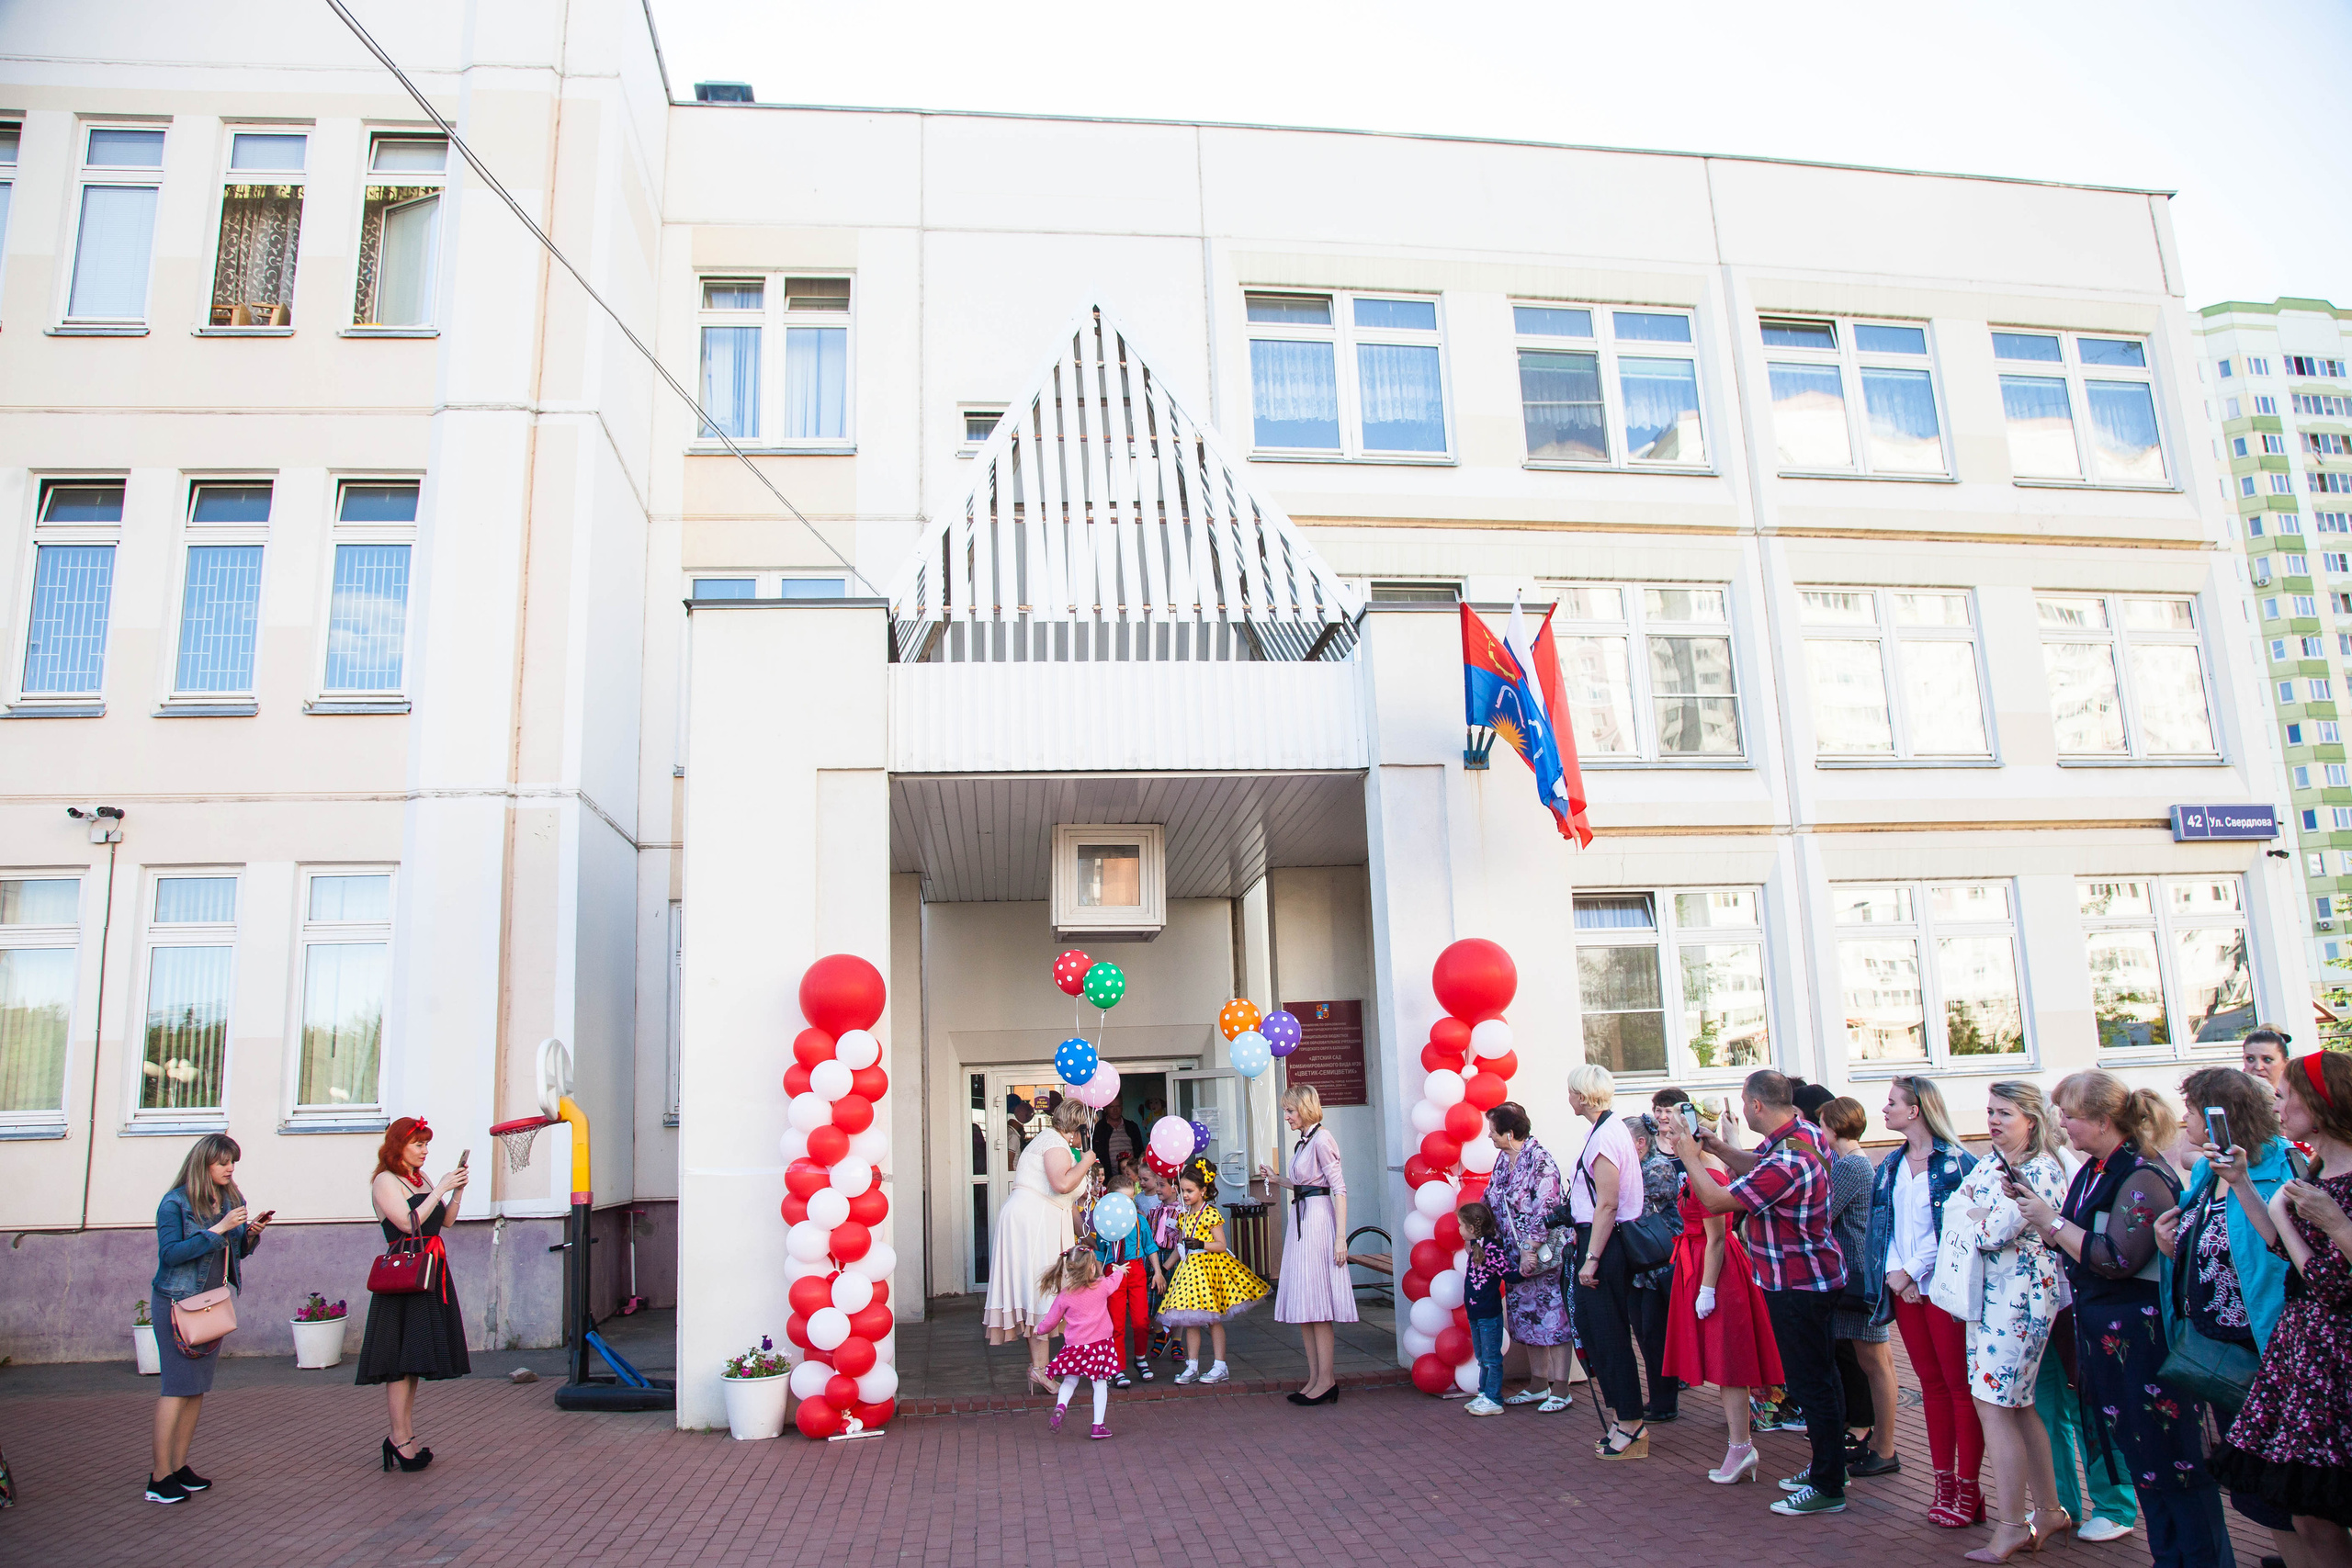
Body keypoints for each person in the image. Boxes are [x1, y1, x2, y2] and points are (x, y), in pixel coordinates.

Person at [2009, 1073, 2231, 1567]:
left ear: (2103, 1121)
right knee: (2142, 1460)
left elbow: (2115, 1257)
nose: (2061, 1124)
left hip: (2146, 1341)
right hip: (2106, 1337)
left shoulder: (2144, 1175)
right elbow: (2073, 1241)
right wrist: (2045, 1219)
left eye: (2069, 1115)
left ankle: (2201, 1558)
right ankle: (2168, 1557)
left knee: (2174, 1462)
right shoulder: (2094, 1170)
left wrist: (2052, 1222)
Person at [1660, 1068, 1849, 1518]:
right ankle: (1830, 1466)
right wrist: (1719, 1147)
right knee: (1820, 1377)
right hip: (1809, 1276)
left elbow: (1720, 1201)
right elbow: (1756, 1168)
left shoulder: (1789, 1158)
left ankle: (1828, 1485)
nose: (1742, 1110)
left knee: (1812, 1383)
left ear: (1757, 1105)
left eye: (1745, 1103)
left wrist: (1689, 1155)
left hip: (1798, 1281)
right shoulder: (1799, 1133)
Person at [2208, 1051, 2352, 1567]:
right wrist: (2243, 1183)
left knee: (2320, 1505)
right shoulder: (2315, 1167)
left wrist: (2306, 1220)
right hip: (2308, 1352)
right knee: (2305, 1508)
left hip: (2336, 1355)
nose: (2278, 1101)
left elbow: (2330, 1282)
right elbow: (2285, 1250)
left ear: (2321, 1101)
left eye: (2287, 1093)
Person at [2158, 1066, 2296, 1564]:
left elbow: (2281, 1253)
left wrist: (2242, 1185)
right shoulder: (2201, 1171)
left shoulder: (2281, 1167)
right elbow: (2212, 1249)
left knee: (2288, 1487)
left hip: (2266, 1348)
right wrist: (2168, 1244)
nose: (2184, 1120)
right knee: (2253, 1488)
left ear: (2223, 1116)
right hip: (2216, 1351)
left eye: (2192, 1111)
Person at [1949, 1081, 2070, 1562]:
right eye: (1991, 1111)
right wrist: (1980, 1215)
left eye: (2005, 1113)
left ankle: (2012, 1524)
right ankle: (2049, 1508)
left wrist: (1981, 1216)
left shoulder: (2040, 1169)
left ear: (2032, 1119)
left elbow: (1991, 1231)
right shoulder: (1991, 1162)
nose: (1994, 1121)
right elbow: (1957, 1213)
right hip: (1987, 1295)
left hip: (2020, 1298)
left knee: (1996, 1406)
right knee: (2014, 1405)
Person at [1865, 1074, 1984, 1528]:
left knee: (1959, 1388)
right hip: (1907, 1291)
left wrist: (1912, 1271)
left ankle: (1969, 1490)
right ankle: (1943, 1483)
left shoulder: (1959, 1163)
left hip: (1945, 1291)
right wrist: (1900, 1278)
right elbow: (1886, 1224)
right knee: (1932, 1386)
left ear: (1915, 1110)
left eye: (1892, 1102)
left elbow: (1957, 1228)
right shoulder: (1891, 1165)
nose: (1885, 1109)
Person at [1657, 1096, 1782, 1486]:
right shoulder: (1700, 1169)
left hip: (1718, 1271)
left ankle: (1741, 1446)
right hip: (1700, 1266)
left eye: (1674, 1130)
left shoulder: (1708, 1172)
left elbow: (1717, 1237)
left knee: (1730, 1363)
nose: (1667, 1135)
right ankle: (1739, 1445)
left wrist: (1706, 1289)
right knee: (1724, 1363)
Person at [147, 1134, 268, 1504]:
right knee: (176, 1387)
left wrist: (250, 1234)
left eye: (233, 1162)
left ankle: (179, 1467)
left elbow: (236, 1253)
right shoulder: (175, 1203)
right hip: (177, 1303)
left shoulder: (231, 1199)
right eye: (223, 1162)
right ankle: (158, 1477)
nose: (230, 1169)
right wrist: (218, 1229)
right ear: (203, 1164)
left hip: (211, 1304)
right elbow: (171, 1254)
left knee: (196, 1389)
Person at [356, 1116, 469, 1472]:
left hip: (430, 1272)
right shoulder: (384, 1181)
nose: (424, 1150)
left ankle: (404, 1435)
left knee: (414, 1359)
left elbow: (444, 1223)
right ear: (397, 1147)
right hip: (404, 1274)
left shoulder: (421, 1179)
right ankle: (398, 1437)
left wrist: (457, 1191)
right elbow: (408, 1223)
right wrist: (438, 1191)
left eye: (425, 1144)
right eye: (417, 1143)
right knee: (399, 1363)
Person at [1565, 1064, 1649, 1460]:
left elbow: (1608, 1202)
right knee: (1598, 1333)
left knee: (1608, 1334)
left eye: (1571, 1092)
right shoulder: (1608, 1131)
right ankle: (1622, 1418)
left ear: (1581, 1096)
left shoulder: (1604, 1138)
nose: (1568, 1098)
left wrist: (1591, 1258)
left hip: (1604, 1244)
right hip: (1599, 1240)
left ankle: (1631, 1422)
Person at [985, 1098, 1097, 1391]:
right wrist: (1087, 1160)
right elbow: (1061, 1184)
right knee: (1041, 1290)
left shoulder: (1055, 1143)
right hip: (1033, 1221)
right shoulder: (1054, 1144)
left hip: (1041, 1217)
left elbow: (1065, 1199)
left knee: (1039, 1290)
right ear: (1076, 1127)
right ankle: (1040, 1370)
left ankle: (1039, 1369)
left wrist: (1085, 1236)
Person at [1819, 1097, 1900, 1480]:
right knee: (1872, 1361)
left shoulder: (1851, 1166)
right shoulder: (1851, 1162)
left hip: (1858, 1276)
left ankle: (1886, 1448)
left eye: (1821, 1125)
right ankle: (1880, 1444)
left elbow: (1821, 1213)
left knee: (1876, 1362)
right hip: (1857, 1275)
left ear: (1833, 1128)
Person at [1258, 1084, 1354, 1405]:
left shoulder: (1323, 1139)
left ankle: (1326, 1379)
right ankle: (1315, 1377)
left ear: (1305, 1108)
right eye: (1285, 1111)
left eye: (1290, 1110)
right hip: (1303, 1217)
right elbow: (1303, 1184)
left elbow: (1338, 1189)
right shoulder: (1306, 1141)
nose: (1286, 1116)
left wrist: (1340, 1237)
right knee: (1305, 1302)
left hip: (1316, 1220)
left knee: (1318, 1301)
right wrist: (1276, 1179)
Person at [1481, 1100, 1576, 1411]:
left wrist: (1529, 1250)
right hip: (1514, 1257)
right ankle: (1538, 1383)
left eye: (1494, 1132)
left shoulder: (1540, 1162)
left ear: (1510, 1133)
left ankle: (1561, 1388)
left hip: (1542, 1257)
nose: (1490, 1137)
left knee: (1554, 1317)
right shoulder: (1503, 1160)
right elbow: (1491, 1197)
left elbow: (1546, 1209)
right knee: (1527, 1317)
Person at [1158, 1156, 1269, 1383]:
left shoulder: (1210, 1214)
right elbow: (1180, 1247)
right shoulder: (1183, 1216)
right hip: (1189, 1275)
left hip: (1209, 1273)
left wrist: (1201, 1245)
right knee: (1190, 1321)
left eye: (1190, 1191)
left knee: (1213, 1320)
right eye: (1183, 1191)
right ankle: (1192, 1365)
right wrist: (1164, 1267)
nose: (1185, 1195)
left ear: (1203, 1189)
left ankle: (1220, 1365)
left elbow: (1221, 1245)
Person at [1033, 1244, 1130, 1438]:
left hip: (1074, 1348)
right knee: (1100, 1383)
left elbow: (1051, 1320)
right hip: (1100, 1347)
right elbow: (1114, 1281)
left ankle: (1061, 1406)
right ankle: (1098, 1425)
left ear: (1068, 1269)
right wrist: (1120, 1270)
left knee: (1070, 1380)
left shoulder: (1065, 1296)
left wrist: (1039, 1329)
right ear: (1092, 1268)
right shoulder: (1102, 1286)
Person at [1629, 1109, 1682, 1423]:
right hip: (1641, 1266)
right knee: (1646, 1335)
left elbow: (1632, 1206)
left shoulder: (1658, 1168)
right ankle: (1659, 1397)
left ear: (1639, 1143)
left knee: (1656, 1334)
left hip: (1660, 1265)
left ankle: (1666, 1401)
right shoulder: (1634, 1167)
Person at [1456, 1201, 1531, 1416]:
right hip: (1475, 1312)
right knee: (1481, 1357)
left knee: (1491, 1357)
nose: (1458, 1229)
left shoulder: (1491, 1249)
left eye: (1461, 1225)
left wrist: (1525, 1271)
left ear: (1471, 1228)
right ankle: (1484, 1392)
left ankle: (1494, 1398)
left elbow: (1508, 1274)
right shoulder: (1476, 1247)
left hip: (1488, 1313)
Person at [1091, 1167, 1155, 1386]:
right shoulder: (1105, 1224)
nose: (1126, 1205)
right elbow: (1100, 1252)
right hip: (1113, 1271)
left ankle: (1140, 1358)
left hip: (1136, 1269)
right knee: (1115, 1322)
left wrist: (1157, 1272)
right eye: (1121, 1200)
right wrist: (1098, 1276)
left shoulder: (1139, 1221)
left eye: (1130, 1199)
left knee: (1141, 1320)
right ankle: (1116, 1366)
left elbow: (1150, 1246)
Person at [1091, 1095, 1143, 1171]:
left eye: (1118, 1106)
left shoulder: (1132, 1127)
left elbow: (1139, 1152)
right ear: (1106, 1108)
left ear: (1122, 1107)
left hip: (1131, 1176)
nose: (1115, 1110)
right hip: (1107, 1177)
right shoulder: (1099, 1128)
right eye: (1111, 1107)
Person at [2242, 1026, 2292, 1097]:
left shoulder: (2299, 1102)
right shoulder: (2230, 1099)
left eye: (2267, 1060)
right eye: (2250, 1059)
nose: (2258, 1067)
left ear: (2285, 1063)